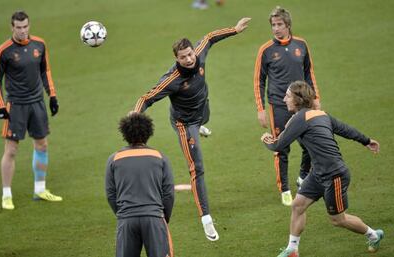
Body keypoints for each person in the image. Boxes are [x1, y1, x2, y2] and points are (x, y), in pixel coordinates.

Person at [132, 17, 251, 241]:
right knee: (197, 168)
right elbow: (146, 98)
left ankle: (201, 129)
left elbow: (209, 37)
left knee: (204, 118)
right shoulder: (172, 80)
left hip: (203, 111)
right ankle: (206, 219)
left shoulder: (199, 52)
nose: (189, 59)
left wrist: (234, 30)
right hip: (185, 124)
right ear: (176, 59)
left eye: (190, 54)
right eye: (183, 57)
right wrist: (135, 112)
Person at [261, 81, 384, 257]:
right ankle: (292, 249)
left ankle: (373, 235)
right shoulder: (320, 114)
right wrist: (366, 140)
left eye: (287, 96)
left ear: (297, 99)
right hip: (318, 173)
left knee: (338, 220)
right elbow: (345, 129)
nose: (283, 99)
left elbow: (279, 145)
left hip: (334, 175)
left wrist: (266, 139)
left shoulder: (300, 119)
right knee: (297, 206)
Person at [0, 11, 62, 210]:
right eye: (18, 27)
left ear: (29, 25)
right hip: (16, 105)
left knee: (42, 145)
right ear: (12, 27)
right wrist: (0, 106)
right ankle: (6, 194)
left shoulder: (39, 44)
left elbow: (45, 71)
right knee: (11, 150)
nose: (23, 31)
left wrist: (52, 96)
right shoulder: (3, 51)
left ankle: (40, 189)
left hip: (37, 103)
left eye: (25, 27)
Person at [254, 6, 321, 206]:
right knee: (281, 147)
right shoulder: (265, 50)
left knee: (311, 142)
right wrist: (261, 109)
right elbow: (258, 81)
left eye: (279, 24)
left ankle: (302, 176)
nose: (276, 28)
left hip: (303, 104)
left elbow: (309, 72)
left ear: (288, 25)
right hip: (278, 106)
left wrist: (315, 97)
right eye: (273, 25)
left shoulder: (301, 44)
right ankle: (284, 188)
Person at [105, 113, 174, 257]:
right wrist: (163, 218)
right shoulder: (160, 157)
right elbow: (168, 194)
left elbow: (111, 194)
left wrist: (123, 214)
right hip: (154, 219)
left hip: (126, 221)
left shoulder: (114, 159)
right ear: (148, 132)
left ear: (125, 133)